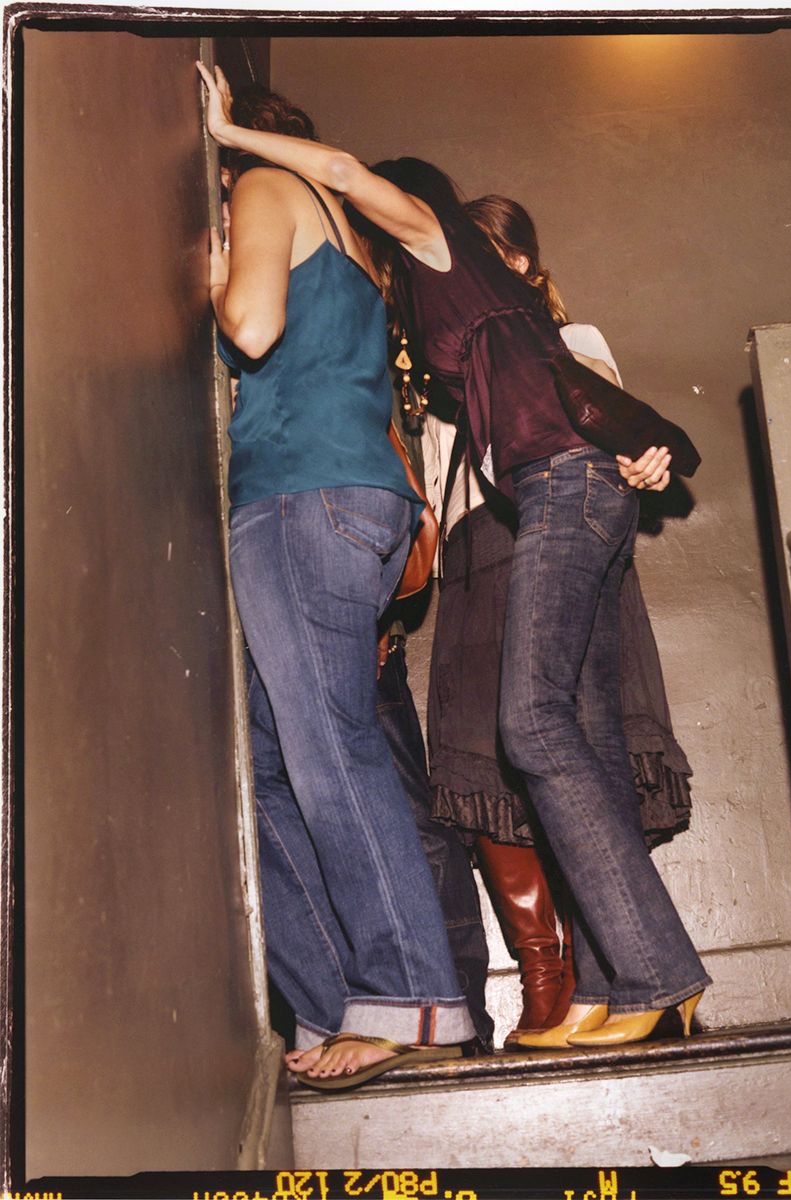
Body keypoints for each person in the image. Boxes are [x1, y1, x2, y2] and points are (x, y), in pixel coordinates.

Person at [199, 69, 710, 1050]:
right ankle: (621, 978)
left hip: (560, 483)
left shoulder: (438, 242)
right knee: (581, 736)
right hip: (559, 486)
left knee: (531, 726)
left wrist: (232, 134)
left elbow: (342, 171)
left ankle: (652, 973)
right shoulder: (436, 297)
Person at [197, 66, 475, 1089]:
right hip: (342, 499)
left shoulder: (265, 188)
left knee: (331, 753)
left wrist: (214, 274)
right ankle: (329, 1003)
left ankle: (412, 998)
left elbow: (252, 327)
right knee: (268, 769)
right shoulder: (353, 243)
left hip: (301, 495)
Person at [422, 195, 695, 1047]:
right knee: (523, 763)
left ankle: (640, 972)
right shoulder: (445, 366)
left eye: (490, 252)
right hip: (477, 563)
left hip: (555, 529)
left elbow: (608, 427)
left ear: (521, 265)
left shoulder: (564, 341)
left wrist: (643, 465)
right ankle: (595, 982)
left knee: (554, 739)